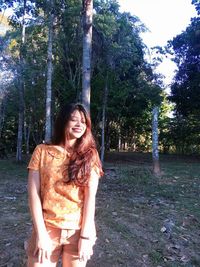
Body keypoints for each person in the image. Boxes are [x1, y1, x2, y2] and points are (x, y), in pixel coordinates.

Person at [26, 103, 104, 267]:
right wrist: (40, 233)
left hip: (78, 230)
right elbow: (33, 194)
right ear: (62, 122)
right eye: (73, 120)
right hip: (47, 228)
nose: (79, 125)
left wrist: (86, 234)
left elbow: (90, 198)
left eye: (83, 121)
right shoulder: (42, 151)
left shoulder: (90, 155)